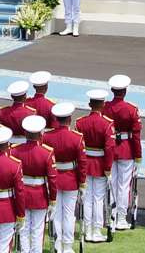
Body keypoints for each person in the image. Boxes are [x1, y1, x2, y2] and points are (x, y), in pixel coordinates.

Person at [43, 102, 86, 253]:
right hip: (70, 179)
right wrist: (82, 183)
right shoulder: (76, 137)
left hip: (53, 178)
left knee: (56, 213)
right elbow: (82, 163)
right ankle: (67, 246)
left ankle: (57, 244)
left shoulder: (47, 137)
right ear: (69, 118)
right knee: (68, 214)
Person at [103, 74, 141, 229]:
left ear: (112, 90)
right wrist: (138, 155)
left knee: (111, 183)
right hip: (126, 148)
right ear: (125, 91)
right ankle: (121, 218)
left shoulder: (105, 108)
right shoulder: (131, 109)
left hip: (110, 149)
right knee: (124, 185)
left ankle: (110, 217)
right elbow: (136, 134)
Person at [77, 89, 114, 242]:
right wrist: (108, 168)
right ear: (103, 104)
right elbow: (109, 148)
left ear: (89, 104)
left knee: (87, 198)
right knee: (98, 198)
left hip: (86, 163)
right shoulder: (107, 123)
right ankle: (96, 230)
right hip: (99, 164)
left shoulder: (80, 122)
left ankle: (86, 229)